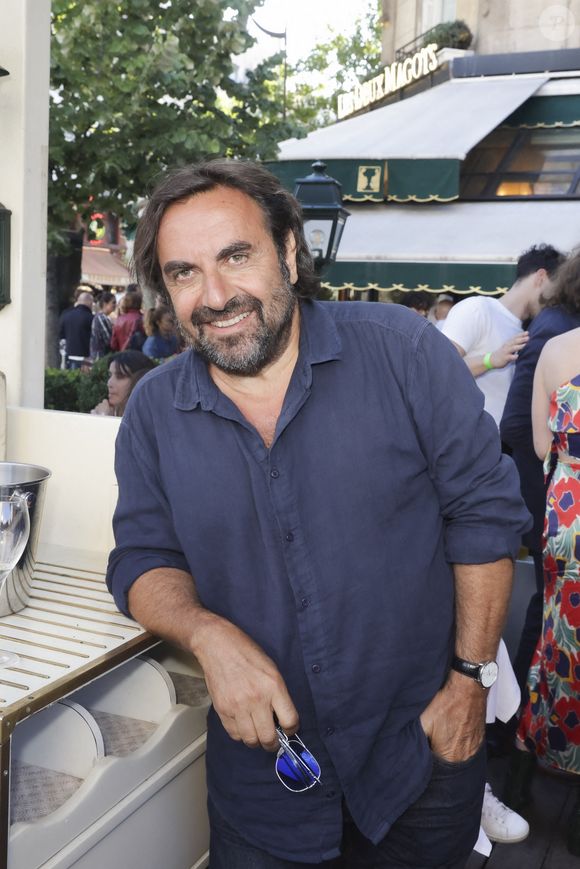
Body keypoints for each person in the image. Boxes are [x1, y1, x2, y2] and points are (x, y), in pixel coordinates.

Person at [106, 159, 530, 869]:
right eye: (184, 273)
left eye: (236, 256)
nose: (216, 296)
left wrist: (469, 683)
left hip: (421, 759)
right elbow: (143, 557)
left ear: (288, 251)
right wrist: (207, 634)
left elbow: (485, 518)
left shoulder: (404, 353)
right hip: (263, 786)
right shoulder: (153, 410)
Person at [504, 326, 580, 857]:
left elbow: (538, 445)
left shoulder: (555, 348)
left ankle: (521, 775)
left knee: (558, 646)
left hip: (568, 515)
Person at [501, 250, 580, 694]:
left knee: (557, 616)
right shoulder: (553, 329)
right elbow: (515, 424)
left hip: (565, 503)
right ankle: (514, 716)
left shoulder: (556, 336)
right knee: (549, 609)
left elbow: (536, 437)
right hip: (555, 496)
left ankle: (535, 716)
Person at [442, 245, 564, 427]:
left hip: (502, 439)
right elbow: (437, 369)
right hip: (468, 438)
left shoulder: (530, 330)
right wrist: (491, 360)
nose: (556, 299)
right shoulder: (477, 308)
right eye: (556, 289)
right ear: (541, 277)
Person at [90, 350, 156, 417]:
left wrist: (104, 418)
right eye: (110, 375)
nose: (109, 383)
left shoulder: (152, 418)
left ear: (140, 380)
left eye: (120, 376)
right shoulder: (109, 411)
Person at [58, 290, 94, 369]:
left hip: (68, 356)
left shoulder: (66, 315)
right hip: (85, 359)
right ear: (89, 302)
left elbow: (61, 335)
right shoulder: (91, 318)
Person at [110, 286, 145, 351]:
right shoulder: (142, 319)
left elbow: (113, 345)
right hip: (140, 354)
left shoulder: (118, 320)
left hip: (123, 354)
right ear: (139, 303)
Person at [90, 291, 116, 360]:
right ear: (105, 304)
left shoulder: (102, 317)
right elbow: (109, 340)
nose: (115, 305)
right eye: (113, 302)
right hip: (101, 356)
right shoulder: (101, 318)